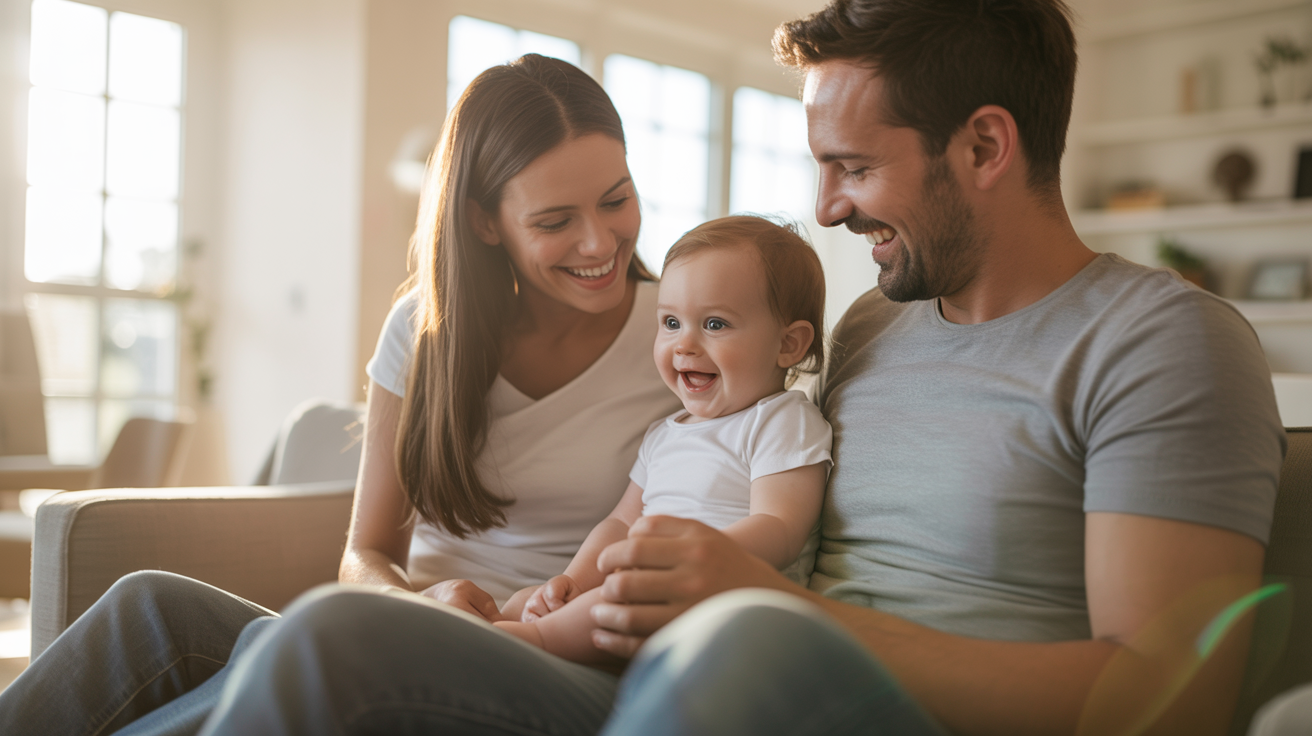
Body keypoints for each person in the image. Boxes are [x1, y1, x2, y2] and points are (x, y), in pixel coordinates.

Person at [185, 1, 1285, 735]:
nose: (826, 210)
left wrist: (766, 603)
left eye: (853, 167)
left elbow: (1170, 697)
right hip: (699, 675)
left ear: (985, 148)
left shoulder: (1160, 341)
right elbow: (734, 481)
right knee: (329, 632)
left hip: (822, 685)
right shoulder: (863, 333)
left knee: (743, 640)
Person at [0, 54, 683, 734]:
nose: (600, 240)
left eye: (616, 199)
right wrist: (418, 605)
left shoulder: (684, 336)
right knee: (144, 605)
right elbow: (364, 555)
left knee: (329, 632)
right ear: (484, 222)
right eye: (555, 221)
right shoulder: (425, 331)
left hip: (556, 655)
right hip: (410, 626)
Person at [496, 216, 833, 665]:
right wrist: (573, 579)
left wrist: (694, 560)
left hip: (728, 611)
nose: (684, 344)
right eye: (671, 322)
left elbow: (780, 527)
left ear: (788, 344)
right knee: (528, 598)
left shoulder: (782, 420)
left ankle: (534, 645)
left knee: (607, 606)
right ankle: (544, 626)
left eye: (715, 324)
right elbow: (618, 524)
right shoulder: (664, 433)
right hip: (653, 592)